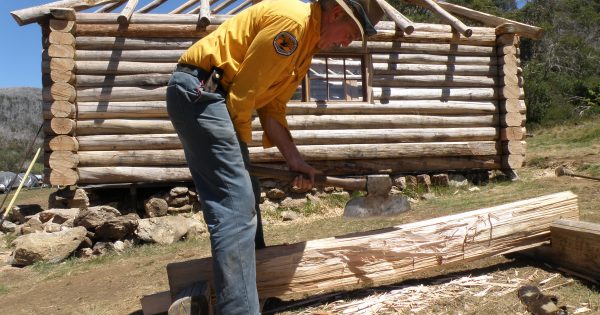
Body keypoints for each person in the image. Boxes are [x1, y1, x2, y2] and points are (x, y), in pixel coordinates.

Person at [166, 0, 383, 313]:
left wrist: (295, 161)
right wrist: (239, 157)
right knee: (236, 207)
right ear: (336, 13)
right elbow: (242, 96)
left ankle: (258, 293)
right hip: (202, 92)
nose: (347, 43)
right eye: (350, 33)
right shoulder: (292, 24)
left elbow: (272, 109)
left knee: (246, 196)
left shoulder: (305, 47)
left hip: (214, 98)